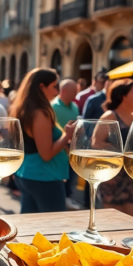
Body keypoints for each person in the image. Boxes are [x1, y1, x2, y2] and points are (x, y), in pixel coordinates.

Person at [10, 68, 75, 213]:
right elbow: (46, 154)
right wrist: (67, 135)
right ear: (41, 87)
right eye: (54, 86)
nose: (57, 91)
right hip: (44, 177)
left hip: (28, 174)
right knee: (53, 227)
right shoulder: (40, 113)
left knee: (30, 226)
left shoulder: (26, 108)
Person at [98, 79, 133, 219]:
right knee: (115, 221)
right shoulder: (109, 116)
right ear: (122, 96)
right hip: (114, 176)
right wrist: (122, 151)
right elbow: (96, 144)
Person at [51, 79, 81, 210]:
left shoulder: (75, 106)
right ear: (64, 91)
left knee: (71, 174)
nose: (76, 94)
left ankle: (68, 197)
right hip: (59, 146)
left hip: (72, 147)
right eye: (74, 91)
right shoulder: (53, 107)